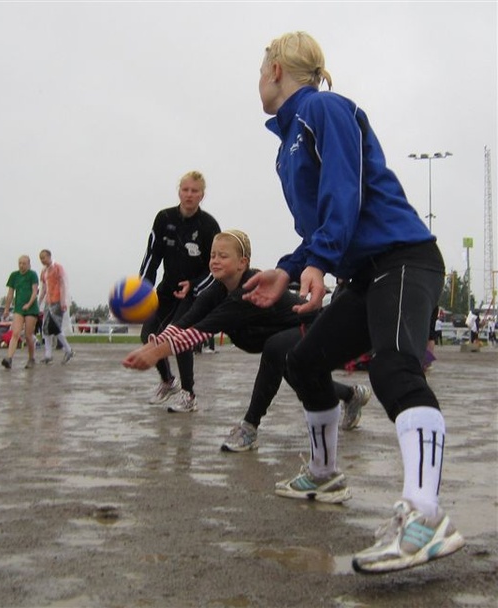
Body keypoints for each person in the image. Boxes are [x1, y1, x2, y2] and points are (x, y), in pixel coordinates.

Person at [243, 32, 463, 573]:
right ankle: (324, 475)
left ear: (276, 70)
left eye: (260, 71)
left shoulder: (323, 108)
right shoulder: (287, 143)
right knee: (302, 361)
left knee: (394, 367)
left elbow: (347, 189)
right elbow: (322, 219)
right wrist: (290, 267)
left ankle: (426, 517)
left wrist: (319, 262)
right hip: (365, 274)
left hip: (404, 258)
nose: (258, 81)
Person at [122, 230, 371, 451]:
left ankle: (249, 428)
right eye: (212, 255)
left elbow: (202, 331)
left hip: (310, 326)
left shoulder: (250, 289)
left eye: (223, 256)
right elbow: (185, 322)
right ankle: (352, 395)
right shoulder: (215, 291)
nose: (215, 260)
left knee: (275, 349)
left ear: (243, 263)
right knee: (298, 379)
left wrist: (156, 353)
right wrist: (154, 343)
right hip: (280, 334)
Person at [139, 171, 221, 410]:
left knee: (179, 338)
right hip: (167, 289)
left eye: (195, 191)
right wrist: (144, 286)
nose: (189, 195)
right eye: (185, 190)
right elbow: (152, 256)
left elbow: (216, 266)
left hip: (194, 293)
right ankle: (168, 381)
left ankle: (189, 395)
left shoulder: (209, 225)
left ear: (202, 195)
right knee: (148, 334)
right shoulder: (164, 218)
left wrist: (194, 285)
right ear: (179, 191)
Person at [1, 255, 40, 370]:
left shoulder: (32, 275)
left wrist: (29, 304)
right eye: (20, 263)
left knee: (28, 335)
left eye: (24, 263)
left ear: (29, 264)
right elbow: (10, 293)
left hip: (31, 309)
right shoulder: (14, 275)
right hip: (18, 308)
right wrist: (6, 309)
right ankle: (9, 358)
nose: (22, 266)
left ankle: (31, 358)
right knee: (15, 333)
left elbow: (34, 292)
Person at [38, 249, 74, 365]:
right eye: (40, 258)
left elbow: (63, 284)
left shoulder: (57, 268)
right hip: (48, 302)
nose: (42, 260)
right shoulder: (44, 271)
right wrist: (39, 301)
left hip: (57, 301)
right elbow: (44, 288)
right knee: (45, 328)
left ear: (49, 256)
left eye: (44, 257)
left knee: (55, 327)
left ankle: (68, 349)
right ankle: (48, 354)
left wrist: (63, 301)